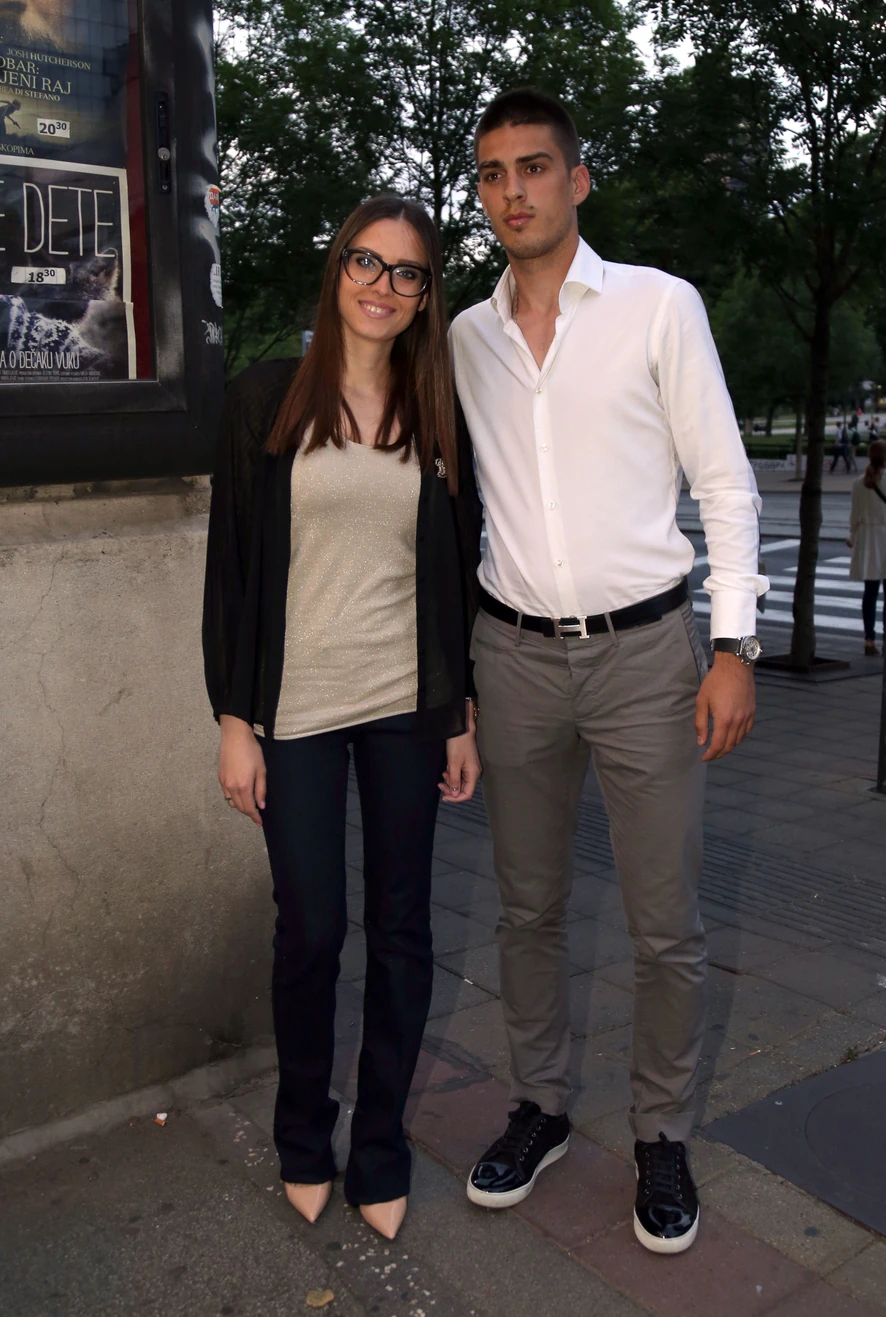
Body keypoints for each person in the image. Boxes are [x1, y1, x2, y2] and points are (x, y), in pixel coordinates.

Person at [450, 89, 768, 1255]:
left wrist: (732, 647)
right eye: (493, 173)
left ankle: (660, 1132)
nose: (514, 191)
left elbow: (724, 483)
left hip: (646, 656)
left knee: (664, 922)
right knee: (525, 908)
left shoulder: (656, 307)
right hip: (514, 656)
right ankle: (539, 1105)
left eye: (534, 167)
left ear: (577, 180)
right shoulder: (465, 338)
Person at [202, 194, 482, 1241]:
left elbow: (455, 574)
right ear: (337, 270)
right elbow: (232, 567)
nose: (382, 286)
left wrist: (459, 710)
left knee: (403, 929)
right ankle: (302, 1135)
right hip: (297, 709)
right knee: (313, 927)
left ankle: (380, 1148)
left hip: (406, 707)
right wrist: (235, 717)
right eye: (366, 261)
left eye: (407, 273)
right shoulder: (265, 399)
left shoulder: (437, 415)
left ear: (424, 297)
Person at [848, 439, 886, 656]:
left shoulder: (859, 482)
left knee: (870, 592)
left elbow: (855, 515)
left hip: (868, 539)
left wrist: (852, 536)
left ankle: (869, 639)